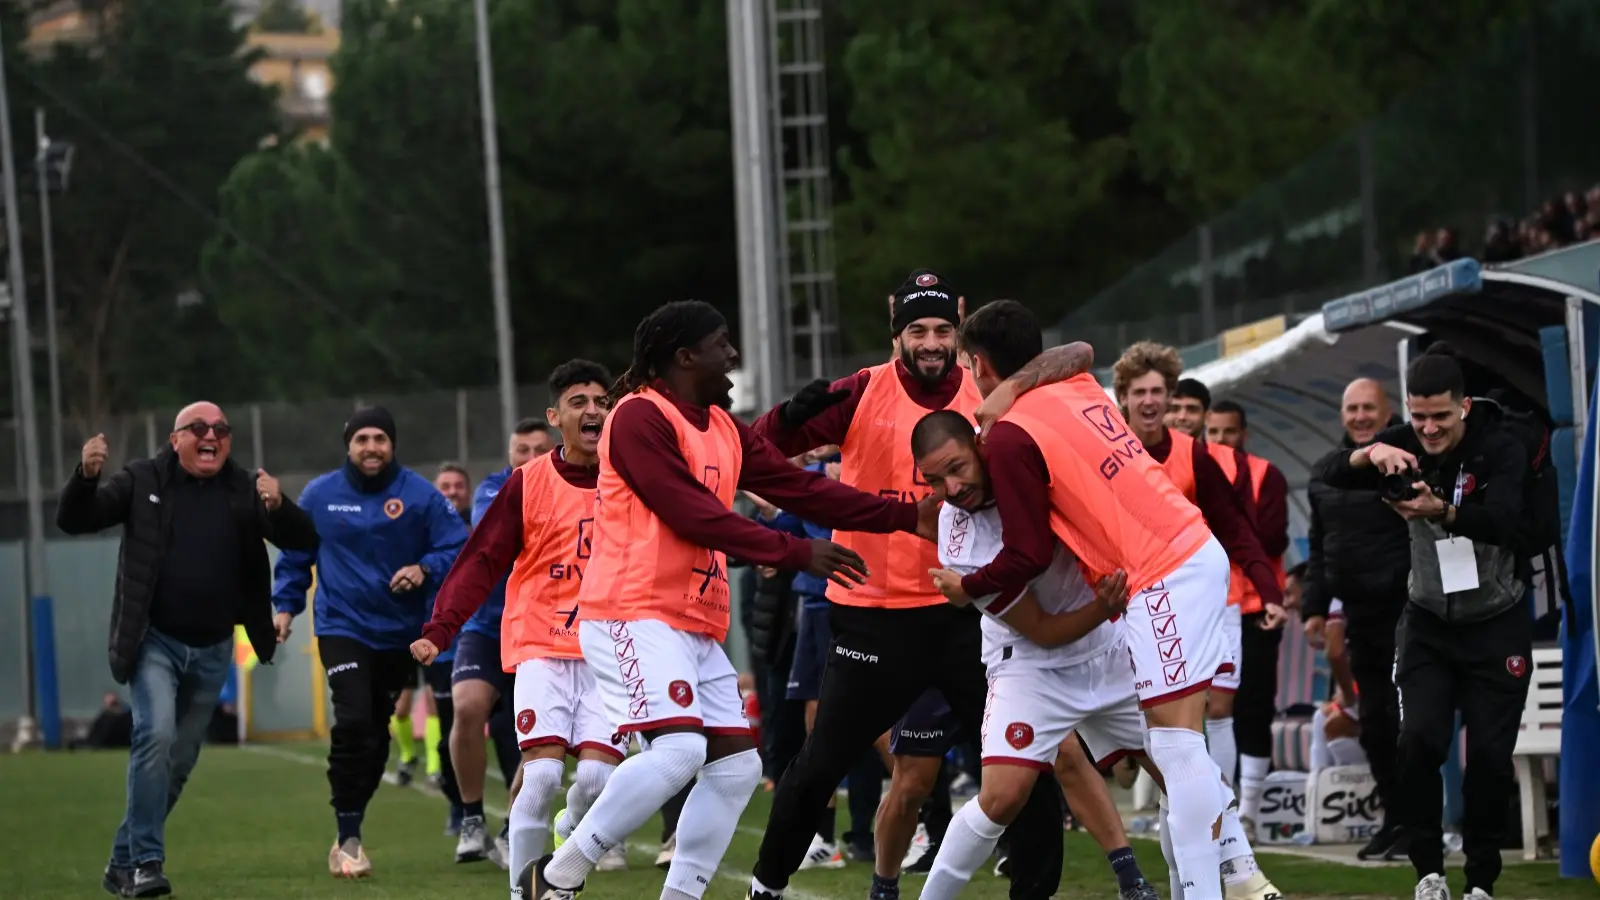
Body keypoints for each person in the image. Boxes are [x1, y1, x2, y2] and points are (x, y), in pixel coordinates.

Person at [525, 300, 939, 900]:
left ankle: (681, 894)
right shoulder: (639, 416)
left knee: (738, 766)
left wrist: (905, 516)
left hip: (691, 621)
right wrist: (793, 552)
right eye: (722, 343)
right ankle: (560, 871)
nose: (733, 355)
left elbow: (800, 488)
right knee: (680, 753)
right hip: (630, 611)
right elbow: (688, 511)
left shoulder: (720, 424)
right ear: (685, 355)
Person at [749, 270, 1094, 900]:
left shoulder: (990, 392)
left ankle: (1034, 894)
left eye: (941, 329)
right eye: (917, 330)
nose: (931, 342)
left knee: (1029, 765)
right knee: (818, 764)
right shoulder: (862, 393)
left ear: (959, 326)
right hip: (874, 615)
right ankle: (766, 887)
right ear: (897, 333)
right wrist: (790, 416)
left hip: (973, 613)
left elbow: (1076, 361)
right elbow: (755, 449)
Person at [954, 300, 1247, 900]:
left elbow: (1028, 555)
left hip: (1163, 570)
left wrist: (968, 586)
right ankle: (1233, 872)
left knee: (1174, 744)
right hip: (1187, 553)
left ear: (980, 365)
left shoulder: (1010, 433)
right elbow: (1080, 350)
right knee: (1178, 742)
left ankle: (1211, 886)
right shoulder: (1072, 380)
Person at [57, 402, 319, 898]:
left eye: (221, 429)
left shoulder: (245, 489)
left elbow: (304, 540)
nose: (211, 436)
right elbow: (76, 519)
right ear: (176, 439)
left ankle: (121, 862)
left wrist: (280, 505)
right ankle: (147, 865)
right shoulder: (140, 480)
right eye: (199, 428)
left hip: (215, 648)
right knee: (153, 737)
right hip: (155, 641)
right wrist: (86, 477)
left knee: (177, 763)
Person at [912, 410, 1162, 900]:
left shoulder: (1038, 468)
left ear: (981, 447)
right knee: (1001, 796)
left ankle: (1230, 880)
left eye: (957, 467)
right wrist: (1105, 606)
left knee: (1183, 768)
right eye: (934, 479)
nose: (951, 486)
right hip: (1030, 663)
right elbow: (1044, 631)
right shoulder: (958, 539)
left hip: (1108, 649)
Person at [1315, 343, 1533, 900]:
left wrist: (1447, 511)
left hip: (1495, 618)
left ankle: (1481, 879)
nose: (1429, 429)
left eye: (1440, 416)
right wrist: (1372, 455)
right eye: (1418, 417)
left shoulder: (1501, 447)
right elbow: (1327, 472)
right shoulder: (1402, 444)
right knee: (1418, 742)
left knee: (1487, 755)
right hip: (1429, 619)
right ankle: (1428, 872)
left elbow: (1511, 523)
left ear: (1462, 407)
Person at [416, 362, 632, 893]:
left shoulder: (632, 477)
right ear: (554, 416)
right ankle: (524, 893)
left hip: (609, 649)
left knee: (599, 779)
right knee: (538, 777)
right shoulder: (527, 484)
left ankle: (569, 834)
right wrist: (441, 627)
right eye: (578, 401)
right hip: (541, 647)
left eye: (601, 401)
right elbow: (480, 560)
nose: (592, 410)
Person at [271, 406, 469, 878]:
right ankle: (348, 834)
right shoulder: (320, 495)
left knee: (376, 732)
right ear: (348, 445)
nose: (371, 447)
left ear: (393, 444)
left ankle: (350, 828)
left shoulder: (421, 496)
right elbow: (297, 554)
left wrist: (423, 568)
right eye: (362, 439)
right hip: (342, 627)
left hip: (400, 634)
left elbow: (458, 545)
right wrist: (284, 606)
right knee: (355, 716)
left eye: (380, 438)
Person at [1302, 376, 1410, 860]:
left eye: (1370, 407)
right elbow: (1321, 549)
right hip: (1361, 616)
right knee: (1375, 720)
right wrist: (1314, 610)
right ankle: (1396, 817)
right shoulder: (1326, 473)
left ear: (1388, 413)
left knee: (1416, 720)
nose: (1361, 416)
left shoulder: (1409, 460)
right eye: (1353, 408)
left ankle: (1426, 819)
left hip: (1410, 613)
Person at [443, 419, 558, 867]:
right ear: (509, 456)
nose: (529, 459)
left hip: (543, 630)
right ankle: (471, 819)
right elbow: (512, 532)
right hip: (488, 625)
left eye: (538, 451)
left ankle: (514, 825)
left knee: (538, 742)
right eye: (520, 451)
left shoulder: (580, 486)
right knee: (468, 707)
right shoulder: (494, 489)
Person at [1205, 399, 1291, 835]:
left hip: (1256, 606)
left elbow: (1271, 539)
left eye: (1229, 432)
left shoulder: (1265, 475)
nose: (1221, 441)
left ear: (1244, 434)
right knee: (1214, 709)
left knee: (1254, 706)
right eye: (1213, 433)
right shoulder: (1195, 472)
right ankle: (1219, 805)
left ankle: (1250, 811)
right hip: (1213, 604)